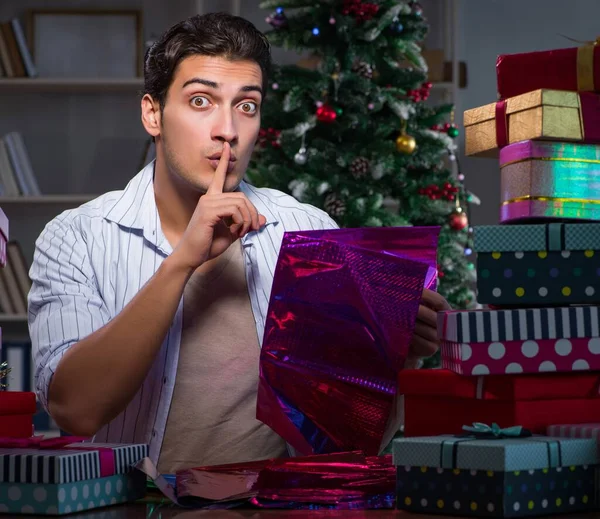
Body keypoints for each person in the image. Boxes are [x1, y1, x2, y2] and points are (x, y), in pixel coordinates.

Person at [28, 12, 451, 473]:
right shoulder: (77, 237)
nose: (226, 130)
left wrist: (390, 355)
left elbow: (344, 444)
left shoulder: (307, 230)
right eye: (201, 101)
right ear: (153, 113)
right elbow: (74, 409)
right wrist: (181, 264)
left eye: (246, 106)